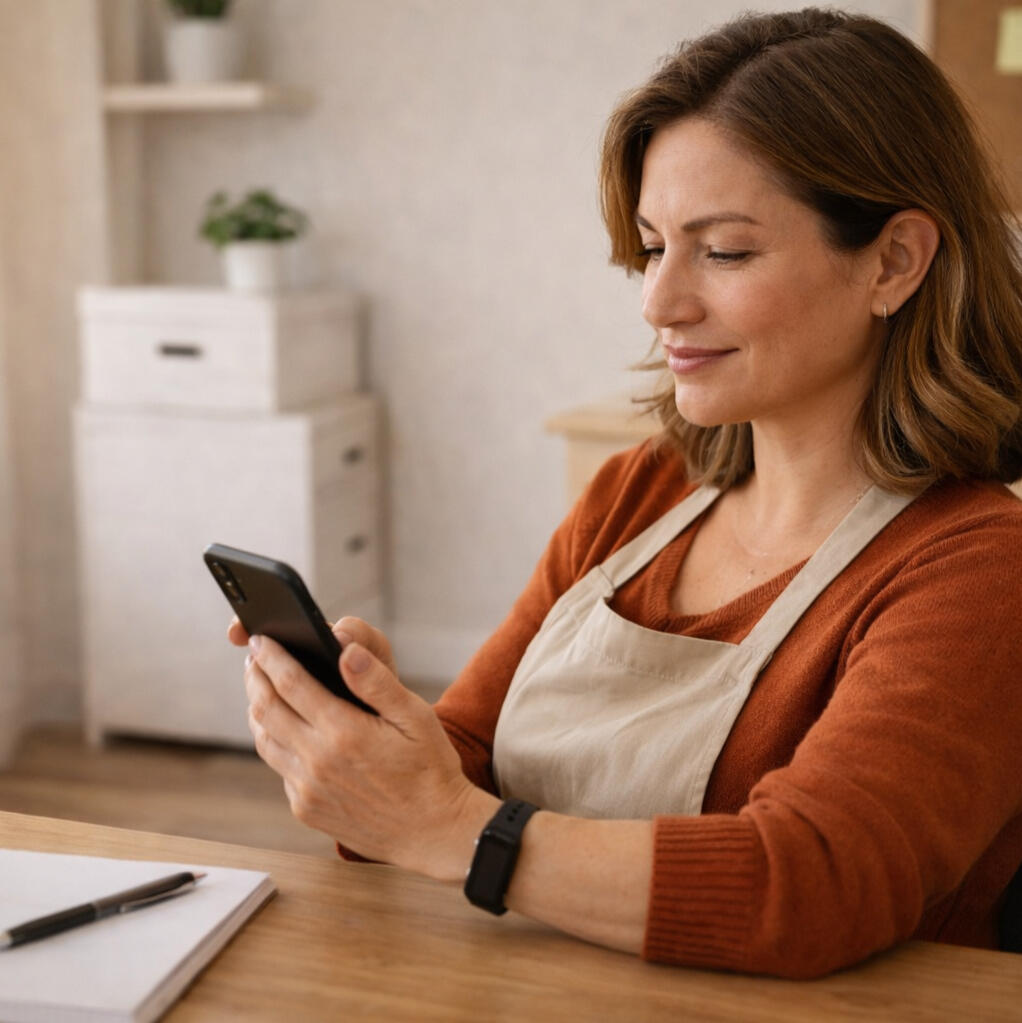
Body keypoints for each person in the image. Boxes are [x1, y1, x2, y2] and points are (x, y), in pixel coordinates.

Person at [228, 7, 1022, 978]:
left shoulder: (982, 570)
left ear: (893, 262)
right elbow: (468, 757)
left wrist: (454, 831)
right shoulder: (638, 491)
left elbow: (810, 887)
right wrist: (370, 745)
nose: (658, 301)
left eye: (723, 251)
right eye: (652, 247)